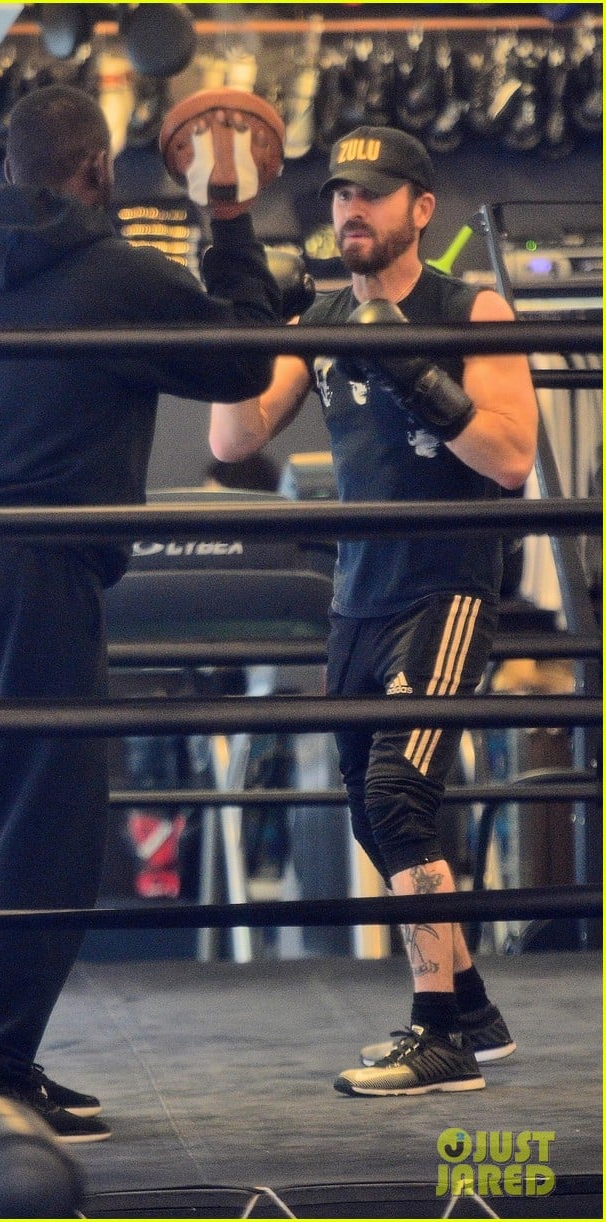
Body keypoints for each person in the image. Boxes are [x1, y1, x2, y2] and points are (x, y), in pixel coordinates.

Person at [0, 83, 281, 1139]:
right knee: (44, 823)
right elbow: (248, 354)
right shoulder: (118, 276)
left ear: (6, 168)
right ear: (95, 172)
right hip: (38, 568)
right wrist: (227, 215)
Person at [209, 125, 538, 1097]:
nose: (351, 208)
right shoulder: (319, 323)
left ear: (418, 209)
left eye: (374, 193)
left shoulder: (467, 307)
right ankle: (473, 1009)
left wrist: (410, 366)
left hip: (444, 590)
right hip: (356, 598)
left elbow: (513, 460)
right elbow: (232, 437)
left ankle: (435, 1036)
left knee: (400, 799)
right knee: (370, 810)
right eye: (340, 195)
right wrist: (250, 333)